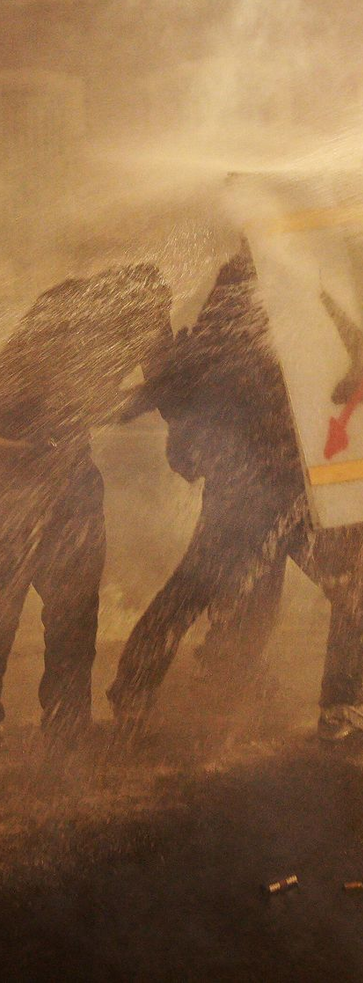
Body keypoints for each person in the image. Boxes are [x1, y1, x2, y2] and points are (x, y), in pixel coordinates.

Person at [107, 247, 363, 743]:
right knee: (204, 587)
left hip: (283, 482)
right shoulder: (252, 292)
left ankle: (337, 706)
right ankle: (140, 693)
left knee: (349, 581)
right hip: (260, 484)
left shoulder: (282, 292)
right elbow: (197, 375)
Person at [0, 263, 172, 743]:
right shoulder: (73, 315)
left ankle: (68, 718)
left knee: (70, 606)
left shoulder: (102, 310)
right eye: (156, 318)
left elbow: (153, 382)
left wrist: (154, 388)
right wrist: (148, 393)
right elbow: (74, 402)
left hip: (63, 474)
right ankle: (67, 718)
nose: (158, 332)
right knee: (12, 603)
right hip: (18, 475)